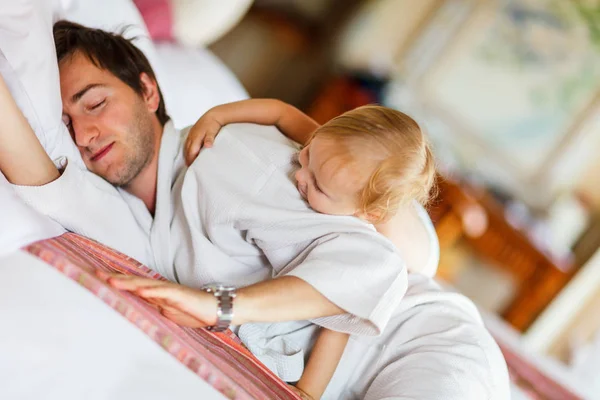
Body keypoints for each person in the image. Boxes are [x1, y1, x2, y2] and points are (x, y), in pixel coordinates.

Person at [2, 21, 509, 399]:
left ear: (147, 91)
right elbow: (37, 171)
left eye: (94, 104)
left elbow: (374, 263)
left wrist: (222, 306)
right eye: (65, 122)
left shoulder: (227, 157)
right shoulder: (137, 213)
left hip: (413, 344)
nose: (84, 134)